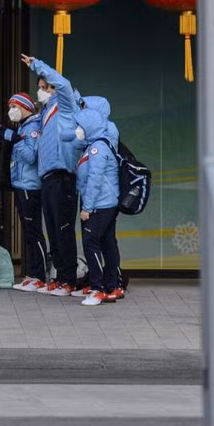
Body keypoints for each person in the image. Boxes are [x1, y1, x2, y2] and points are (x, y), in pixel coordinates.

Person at [22, 55, 81, 296]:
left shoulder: (65, 104)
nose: (41, 92)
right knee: (54, 229)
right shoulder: (46, 113)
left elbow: (64, 84)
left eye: (44, 88)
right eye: (39, 88)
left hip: (63, 176)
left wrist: (38, 66)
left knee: (64, 229)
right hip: (47, 177)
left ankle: (69, 279)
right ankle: (59, 276)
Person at [3, 92, 47, 291]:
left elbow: (31, 157)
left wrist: (16, 140)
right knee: (29, 233)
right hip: (21, 185)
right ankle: (32, 273)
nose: (11, 111)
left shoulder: (32, 128)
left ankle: (40, 275)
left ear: (25, 107)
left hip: (30, 186)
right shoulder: (23, 127)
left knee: (34, 232)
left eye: (14, 106)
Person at [76, 114, 121, 306]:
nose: (77, 129)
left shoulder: (96, 148)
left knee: (90, 242)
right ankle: (113, 286)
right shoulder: (98, 145)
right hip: (107, 203)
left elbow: (95, 180)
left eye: (80, 126)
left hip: (100, 205)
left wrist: (87, 208)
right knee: (108, 243)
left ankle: (97, 289)